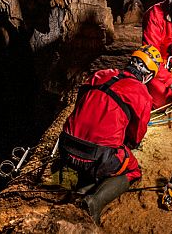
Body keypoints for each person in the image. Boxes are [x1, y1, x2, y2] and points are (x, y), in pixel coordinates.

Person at [58, 45, 162, 223]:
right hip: (95, 158)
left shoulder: (102, 74)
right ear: (148, 75)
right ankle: (94, 201)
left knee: (97, 156)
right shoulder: (142, 94)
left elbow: (80, 101)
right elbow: (135, 137)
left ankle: (82, 190)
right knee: (133, 169)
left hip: (65, 147)